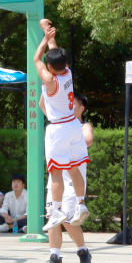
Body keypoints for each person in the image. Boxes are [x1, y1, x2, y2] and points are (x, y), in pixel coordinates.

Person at [34, 25, 89, 231]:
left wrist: (43, 39)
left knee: (56, 171)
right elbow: (53, 50)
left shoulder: (50, 80)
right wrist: (49, 34)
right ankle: (81, 204)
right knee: (73, 167)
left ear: (50, 66)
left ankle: (57, 210)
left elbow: (36, 59)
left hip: (58, 128)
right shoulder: (67, 72)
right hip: (73, 125)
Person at [43, 93, 94, 263]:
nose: (69, 107)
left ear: (82, 108)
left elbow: (88, 140)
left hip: (73, 181)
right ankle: (55, 257)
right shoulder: (58, 124)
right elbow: (43, 105)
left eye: (73, 104)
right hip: (56, 181)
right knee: (54, 217)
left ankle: (83, 251)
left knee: (67, 220)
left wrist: (69, 137)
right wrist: (44, 86)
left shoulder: (83, 126)